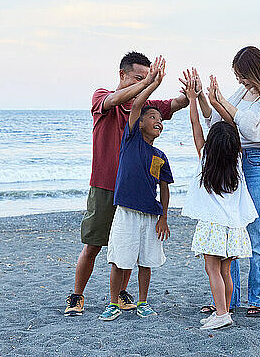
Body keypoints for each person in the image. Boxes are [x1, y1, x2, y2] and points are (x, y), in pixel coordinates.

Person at [64, 53, 189, 316]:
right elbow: (115, 99)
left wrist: (191, 92)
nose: (142, 83)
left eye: (146, 78)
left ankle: (121, 294)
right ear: (122, 75)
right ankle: (76, 296)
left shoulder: (144, 108)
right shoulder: (102, 96)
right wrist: (149, 83)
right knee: (93, 244)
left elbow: (176, 103)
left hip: (134, 194)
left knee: (129, 247)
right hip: (104, 186)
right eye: (138, 78)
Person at [199, 46, 260, 317]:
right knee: (231, 230)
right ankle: (229, 301)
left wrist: (224, 102)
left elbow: (256, 128)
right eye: (237, 76)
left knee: (257, 233)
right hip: (235, 161)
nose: (240, 81)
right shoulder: (242, 93)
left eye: (243, 75)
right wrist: (204, 98)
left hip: (256, 162)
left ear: (255, 70)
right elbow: (218, 120)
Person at [180, 74, 257, 329]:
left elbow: (195, 126)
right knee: (224, 271)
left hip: (213, 226)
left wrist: (194, 99)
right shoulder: (237, 163)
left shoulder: (205, 159)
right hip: (232, 226)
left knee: (212, 270)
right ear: (234, 145)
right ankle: (225, 312)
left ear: (211, 145)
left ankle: (222, 313)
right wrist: (215, 100)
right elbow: (231, 128)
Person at [99, 58, 173, 321]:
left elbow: (165, 189)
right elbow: (138, 105)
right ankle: (113, 303)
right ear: (139, 122)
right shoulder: (130, 140)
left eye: (161, 119)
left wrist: (164, 216)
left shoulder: (160, 155)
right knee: (120, 259)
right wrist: (151, 84)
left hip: (150, 216)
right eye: (152, 117)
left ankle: (143, 301)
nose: (158, 121)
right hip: (126, 212)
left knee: (147, 261)